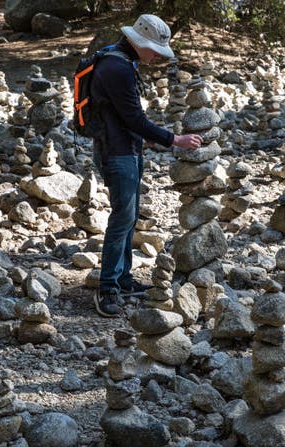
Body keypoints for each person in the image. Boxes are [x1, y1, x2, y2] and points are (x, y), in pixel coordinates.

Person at [91, 14, 203, 317]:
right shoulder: (116, 68)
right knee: (122, 218)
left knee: (128, 218)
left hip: (125, 147)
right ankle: (108, 288)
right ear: (137, 42)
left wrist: (147, 139)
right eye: (154, 49)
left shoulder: (121, 62)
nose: (156, 56)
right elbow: (133, 118)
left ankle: (124, 279)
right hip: (116, 152)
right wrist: (173, 139)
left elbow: (122, 115)